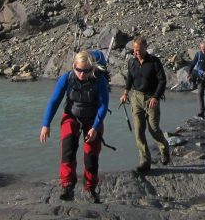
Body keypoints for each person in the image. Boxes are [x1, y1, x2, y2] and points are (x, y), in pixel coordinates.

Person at [40, 50, 109, 203]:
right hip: (71, 116)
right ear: (74, 67)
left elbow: (103, 106)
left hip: (92, 118)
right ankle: (67, 186)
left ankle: (90, 188)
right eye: (78, 70)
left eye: (86, 71)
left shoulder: (99, 81)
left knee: (91, 154)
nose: (82, 74)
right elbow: (54, 102)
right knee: (68, 150)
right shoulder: (67, 78)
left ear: (92, 69)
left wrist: (95, 127)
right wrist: (46, 124)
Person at [119, 36, 169, 174]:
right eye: (134, 49)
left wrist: (156, 97)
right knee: (139, 130)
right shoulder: (132, 62)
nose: (136, 52)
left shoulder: (154, 62)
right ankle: (145, 161)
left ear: (145, 48)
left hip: (151, 98)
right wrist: (125, 93)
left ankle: (164, 147)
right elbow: (130, 77)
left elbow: (162, 80)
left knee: (153, 129)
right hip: (136, 98)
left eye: (139, 50)